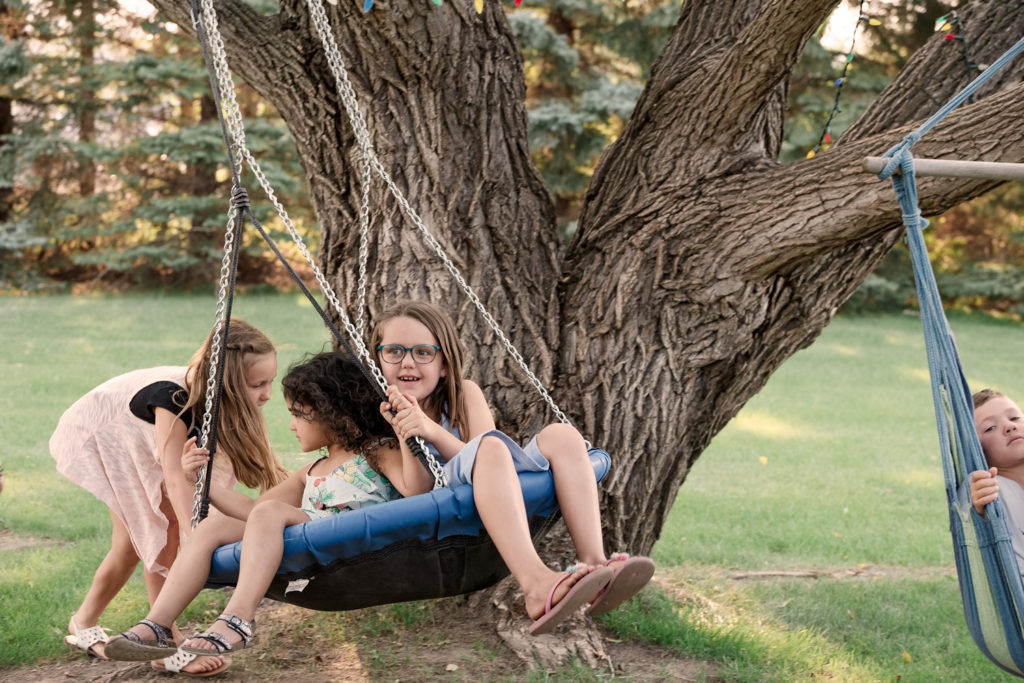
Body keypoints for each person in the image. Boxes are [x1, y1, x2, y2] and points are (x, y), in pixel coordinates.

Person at [103, 351, 430, 661]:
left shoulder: (378, 450)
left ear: (332, 412)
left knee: (271, 512)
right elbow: (254, 510)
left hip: (353, 546)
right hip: (308, 545)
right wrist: (200, 481)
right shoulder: (311, 471)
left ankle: (238, 618)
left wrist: (403, 434)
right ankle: (158, 625)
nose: (291, 425)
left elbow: (417, 491)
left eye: (298, 414)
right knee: (216, 525)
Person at [370, 300, 654, 635]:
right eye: (394, 351)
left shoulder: (464, 394)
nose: (407, 362)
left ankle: (595, 565)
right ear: (377, 360)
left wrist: (432, 430)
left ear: (444, 365)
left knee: (562, 436)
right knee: (492, 448)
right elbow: (416, 491)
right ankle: (535, 584)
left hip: (495, 480)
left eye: (422, 352)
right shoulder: (376, 419)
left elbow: (483, 448)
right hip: (444, 504)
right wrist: (407, 431)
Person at [50, 319, 288, 676]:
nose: (267, 394)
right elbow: (176, 479)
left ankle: (83, 621)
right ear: (227, 382)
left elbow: (261, 465)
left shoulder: (224, 400)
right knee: (162, 529)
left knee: (129, 545)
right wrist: (195, 537)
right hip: (107, 430)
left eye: (270, 382)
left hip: (146, 439)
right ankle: (165, 642)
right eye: (257, 385)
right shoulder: (173, 399)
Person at [969, 389, 1024, 574]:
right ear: (978, 450)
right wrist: (978, 508)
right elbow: (973, 516)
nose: (1010, 426)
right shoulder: (994, 489)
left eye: (1015, 418)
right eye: (990, 428)